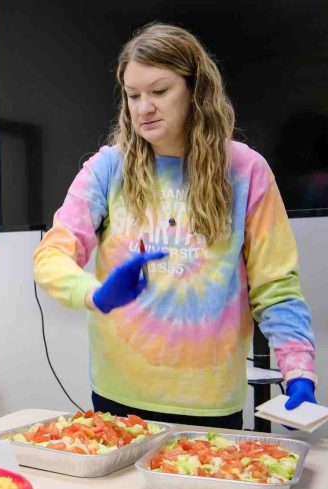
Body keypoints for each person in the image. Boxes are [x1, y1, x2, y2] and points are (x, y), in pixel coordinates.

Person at [34, 23, 318, 429]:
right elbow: (52, 255)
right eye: (133, 95)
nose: (143, 108)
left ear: (194, 90)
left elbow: (276, 285)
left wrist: (299, 370)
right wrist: (95, 294)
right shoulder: (108, 168)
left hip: (212, 405)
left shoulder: (245, 170)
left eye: (159, 92)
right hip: (121, 399)